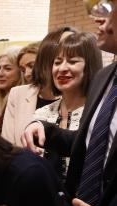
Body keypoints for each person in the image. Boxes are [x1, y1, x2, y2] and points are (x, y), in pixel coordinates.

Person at [21, 1, 117, 206]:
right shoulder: (107, 78)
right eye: (57, 62)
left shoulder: (100, 87)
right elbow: (87, 145)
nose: (97, 17)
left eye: (109, 7)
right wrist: (43, 128)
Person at [33, 31, 103, 180]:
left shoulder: (100, 114)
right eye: (57, 62)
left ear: (90, 66)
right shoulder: (42, 113)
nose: (62, 68)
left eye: (72, 61)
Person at [1, 27, 77, 146]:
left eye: (31, 66)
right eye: (22, 69)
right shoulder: (17, 94)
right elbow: (8, 143)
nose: (26, 73)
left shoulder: (74, 95)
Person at [0, 47, 23, 132]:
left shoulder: (21, 100)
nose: (0, 74)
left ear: (21, 71)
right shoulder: (4, 99)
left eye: (7, 68)